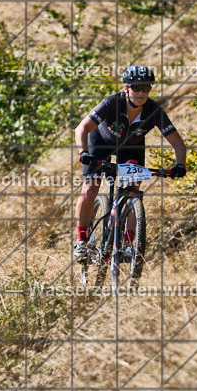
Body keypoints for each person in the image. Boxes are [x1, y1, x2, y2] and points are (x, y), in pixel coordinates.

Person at [73, 65, 187, 262]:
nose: (142, 92)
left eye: (146, 88)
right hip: (100, 143)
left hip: (131, 147)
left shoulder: (153, 110)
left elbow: (177, 142)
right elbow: (81, 128)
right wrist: (83, 152)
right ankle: (81, 241)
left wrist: (180, 165)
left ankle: (126, 244)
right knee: (91, 187)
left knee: (133, 192)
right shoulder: (111, 102)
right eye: (137, 87)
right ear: (126, 88)